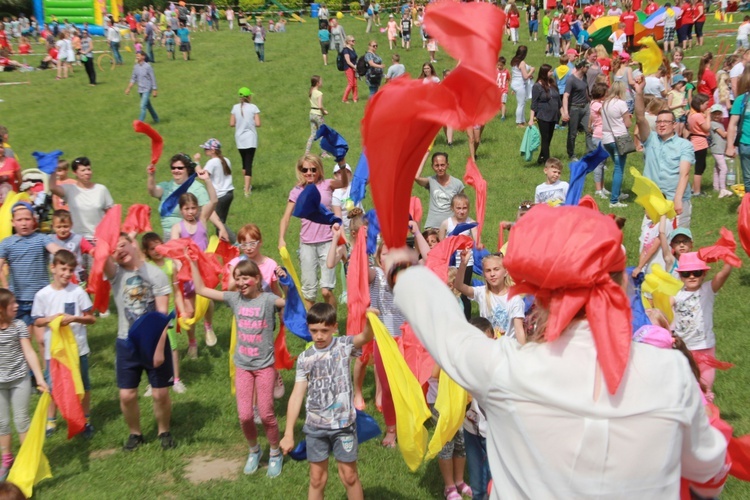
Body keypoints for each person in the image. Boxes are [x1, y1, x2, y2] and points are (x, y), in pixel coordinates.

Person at [385, 205, 728, 498]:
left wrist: (401, 270)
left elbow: (446, 332)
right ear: (622, 284)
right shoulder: (671, 372)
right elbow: (709, 474)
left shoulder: (508, 368)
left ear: (539, 294)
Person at [191, 258, 286, 476]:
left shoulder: (268, 300)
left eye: (246, 278)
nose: (241, 282)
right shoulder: (235, 299)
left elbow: (291, 303)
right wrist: (193, 262)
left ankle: (274, 452)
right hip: (243, 366)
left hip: (265, 367)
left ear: (257, 279)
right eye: (237, 278)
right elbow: (201, 289)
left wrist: (284, 281)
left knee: (266, 414)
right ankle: (254, 450)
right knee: (244, 415)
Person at [280, 304, 375, 498]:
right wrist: (288, 433)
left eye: (324, 330)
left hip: (343, 426)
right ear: (308, 329)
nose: (319, 336)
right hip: (315, 428)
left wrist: (369, 321)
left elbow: (365, 337)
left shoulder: (343, 345)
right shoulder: (305, 358)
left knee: (349, 476)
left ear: (334, 327)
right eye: (314, 331)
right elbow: (297, 394)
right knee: (316, 478)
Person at [105, 233, 175, 451]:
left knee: (160, 393)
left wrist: (159, 349)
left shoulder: (156, 274)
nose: (120, 251)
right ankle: (135, 434)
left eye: (123, 245)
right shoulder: (115, 274)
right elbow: (100, 257)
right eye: (115, 250)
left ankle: (164, 431)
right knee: (127, 395)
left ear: (134, 245)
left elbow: (163, 316)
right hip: (126, 342)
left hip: (153, 341)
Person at [32, 250, 95, 438]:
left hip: (78, 349)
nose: (67, 274)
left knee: (83, 385)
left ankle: (86, 419)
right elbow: (37, 321)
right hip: (55, 351)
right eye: (63, 269)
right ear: (53, 268)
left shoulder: (78, 292)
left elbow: (91, 318)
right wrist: (51, 319)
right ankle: (51, 421)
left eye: (70, 270)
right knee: (54, 386)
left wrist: (76, 318)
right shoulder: (43, 295)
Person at [278, 154, 348, 308]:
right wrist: (281, 239)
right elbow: (285, 217)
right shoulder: (297, 191)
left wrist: (342, 165)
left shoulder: (327, 184)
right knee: (309, 293)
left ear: (319, 169)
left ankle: (332, 326)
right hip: (307, 244)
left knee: (326, 291)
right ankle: (313, 329)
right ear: (300, 171)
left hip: (328, 242)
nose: (309, 173)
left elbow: (344, 182)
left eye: (313, 169)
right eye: (305, 170)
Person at [671, 252, 735, 401]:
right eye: (686, 273)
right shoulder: (676, 296)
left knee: (706, 386)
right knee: (686, 386)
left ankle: (708, 416)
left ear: (704, 274)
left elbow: (723, 275)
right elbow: (663, 312)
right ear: (681, 276)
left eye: (697, 272)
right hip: (684, 348)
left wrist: (728, 257)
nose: (692, 276)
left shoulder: (707, 290)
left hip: (705, 346)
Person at [0, 288, 48, 482]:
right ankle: (6, 460)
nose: (17, 305)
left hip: (20, 380)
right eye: (12, 303)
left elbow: (29, 352)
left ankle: (29, 463)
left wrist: (40, 379)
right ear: (1, 309)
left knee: (21, 420)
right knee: (2, 423)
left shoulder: (19, 325)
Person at [634, 79, 695, 228]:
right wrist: (639, 92)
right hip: (654, 200)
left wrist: (678, 199)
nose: (661, 124)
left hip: (676, 200)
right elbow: (640, 117)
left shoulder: (684, 145)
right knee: (649, 243)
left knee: (676, 243)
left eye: (666, 122)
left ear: (674, 125)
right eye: (659, 121)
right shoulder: (650, 139)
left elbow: (684, 174)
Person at [140, 233, 186, 395]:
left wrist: (182, 310)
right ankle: (153, 382)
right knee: (151, 347)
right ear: (146, 251)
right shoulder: (145, 267)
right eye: (152, 248)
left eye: (158, 246)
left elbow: (177, 291)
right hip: (151, 313)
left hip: (169, 311)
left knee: (172, 346)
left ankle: (176, 380)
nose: (156, 250)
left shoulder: (170, 265)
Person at [147, 153, 229, 240]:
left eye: (180, 168)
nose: (176, 170)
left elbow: (209, 209)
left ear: (188, 169)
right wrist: (151, 176)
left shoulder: (196, 188)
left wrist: (221, 227)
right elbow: (153, 191)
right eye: (173, 168)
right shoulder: (166, 186)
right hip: (167, 236)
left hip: (187, 235)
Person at [48, 156, 114, 242]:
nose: (87, 172)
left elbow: (111, 214)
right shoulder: (69, 189)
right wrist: (53, 168)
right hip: (76, 240)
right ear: (75, 173)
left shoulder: (101, 189)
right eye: (83, 170)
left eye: (89, 169)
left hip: (97, 239)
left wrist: (111, 235)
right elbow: (53, 188)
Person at [414, 152, 465, 230]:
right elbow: (416, 177)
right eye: (436, 165)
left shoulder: (457, 184)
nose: (440, 168)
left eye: (442, 165)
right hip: (432, 228)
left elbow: (463, 206)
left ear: (447, 165)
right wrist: (426, 155)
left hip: (450, 227)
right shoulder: (431, 181)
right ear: (432, 167)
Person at [195, 139, 234, 235]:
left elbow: (202, 175)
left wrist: (196, 162)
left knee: (218, 222)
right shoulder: (226, 160)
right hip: (229, 194)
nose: (204, 151)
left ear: (213, 150)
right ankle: (222, 245)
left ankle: (235, 242)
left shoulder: (213, 162)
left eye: (206, 149)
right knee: (220, 221)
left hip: (220, 195)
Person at [230, 87, 261, 198]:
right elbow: (258, 123)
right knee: (248, 164)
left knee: (244, 163)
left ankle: (246, 185)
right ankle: (247, 190)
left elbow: (231, 123)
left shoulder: (235, 108)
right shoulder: (253, 108)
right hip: (250, 139)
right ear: (249, 97)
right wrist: (250, 121)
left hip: (239, 139)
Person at [561, 57, 591, 161]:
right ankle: (571, 153)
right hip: (574, 108)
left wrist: (590, 102)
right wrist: (565, 112)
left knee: (589, 130)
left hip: (585, 107)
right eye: (587, 67)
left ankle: (590, 153)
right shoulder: (571, 79)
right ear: (582, 67)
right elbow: (565, 96)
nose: (588, 68)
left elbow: (585, 91)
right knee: (573, 133)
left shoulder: (585, 77)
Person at [726, 66, 750, 194]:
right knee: (748, 180)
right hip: (745, 144)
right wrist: (730, 146)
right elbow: (732, 124)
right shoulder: (741, 100)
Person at [687, 94, 711, 197]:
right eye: (706, 104)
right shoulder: (698, 116)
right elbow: (707, 128)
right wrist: (708, 116)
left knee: (700, 166)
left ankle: (694, 187)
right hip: (700, 142)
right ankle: (697, 191)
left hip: (694, 140)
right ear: (699, 104)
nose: (707, 106)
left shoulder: (692, 115)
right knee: (699, 168)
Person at [125, 51, 159, 124]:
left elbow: (153, 78)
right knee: (148, 105)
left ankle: (139, 123)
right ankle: (156, 119)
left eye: (138, 55)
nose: (137, 57)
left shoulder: (148, 66)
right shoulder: (136, 67)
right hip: (140, 89)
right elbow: (133, 79)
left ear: (143, 57)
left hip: (147, 89)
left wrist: (154, 89)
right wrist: (128, 88)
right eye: (136, 56)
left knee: (143, 106)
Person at [510, 45, 534, 127]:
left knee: (522, 103)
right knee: (521, 104)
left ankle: (522, 120)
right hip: (520, 85)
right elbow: (525, 76)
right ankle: (519, 122)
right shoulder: (522, 62)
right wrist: (532, 71)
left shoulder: (514, 60)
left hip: (515, 83)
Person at [306, 75, 328, 154]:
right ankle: (324, 153)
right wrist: (324, 111)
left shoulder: (311, 92)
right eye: (321, 81)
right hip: (318, 115)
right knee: (323, 133)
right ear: (317, 83)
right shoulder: (319, 93)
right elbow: (320, 106)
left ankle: (307, 153)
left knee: (312, 135)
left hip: (311, 114)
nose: (322, 82)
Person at [341, 36, 358, 103]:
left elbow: (355, 58)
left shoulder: (352, 49)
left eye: (354, 40)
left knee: (355, 84)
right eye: (352, 41)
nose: (354, 42)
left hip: (354, 67)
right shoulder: (346, 50)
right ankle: (344, 99)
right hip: (348, 68)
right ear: (348, 41)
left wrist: (356, 66)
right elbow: (348, 61)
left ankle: (355, 98)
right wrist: (354, 67)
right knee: (351, 83)